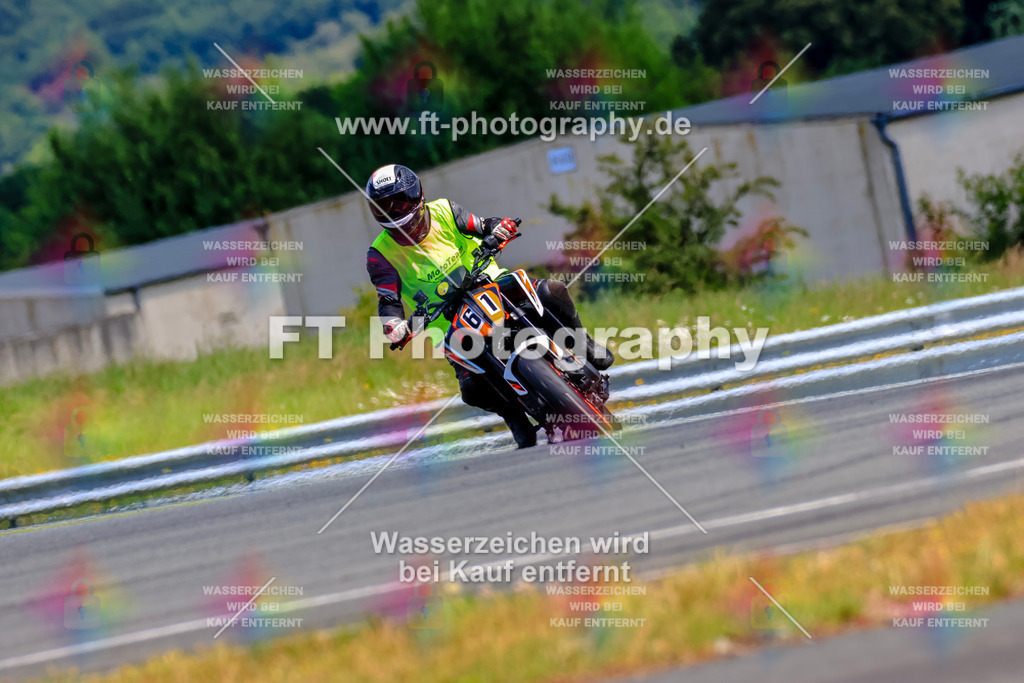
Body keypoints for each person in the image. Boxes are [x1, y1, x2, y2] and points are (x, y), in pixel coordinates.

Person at [364, 164, 613, 449]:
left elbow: (482, 225)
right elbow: (389, 302)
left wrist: (498, 228)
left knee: (551, 290)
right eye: (384, 207)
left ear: (416, 195)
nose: (394, 212)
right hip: (448, 322)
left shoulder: (445, 210)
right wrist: (394, 327)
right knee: (471, 388)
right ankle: (514, 415)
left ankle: (583, 343)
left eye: (399, 202)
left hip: (491, 283)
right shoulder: (379, 255)